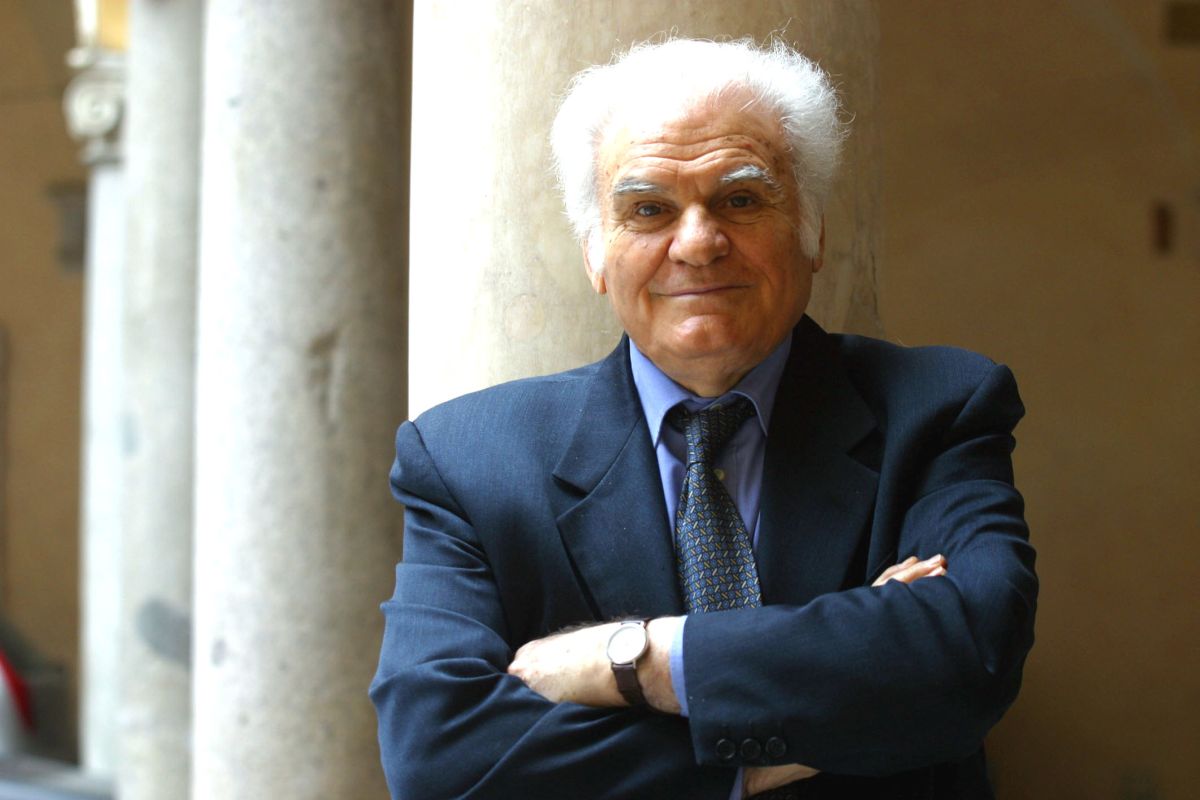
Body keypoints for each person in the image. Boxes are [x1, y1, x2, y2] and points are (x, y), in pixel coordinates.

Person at [371, 37, 1037, 800]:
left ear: (813, 230)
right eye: (648, 209)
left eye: (741, 200)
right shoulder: (466, 460)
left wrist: (635, 659)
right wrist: (794, 741)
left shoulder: (939, 408)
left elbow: (971, 654)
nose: (697, 244)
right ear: (595, 253)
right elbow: (437, 752)